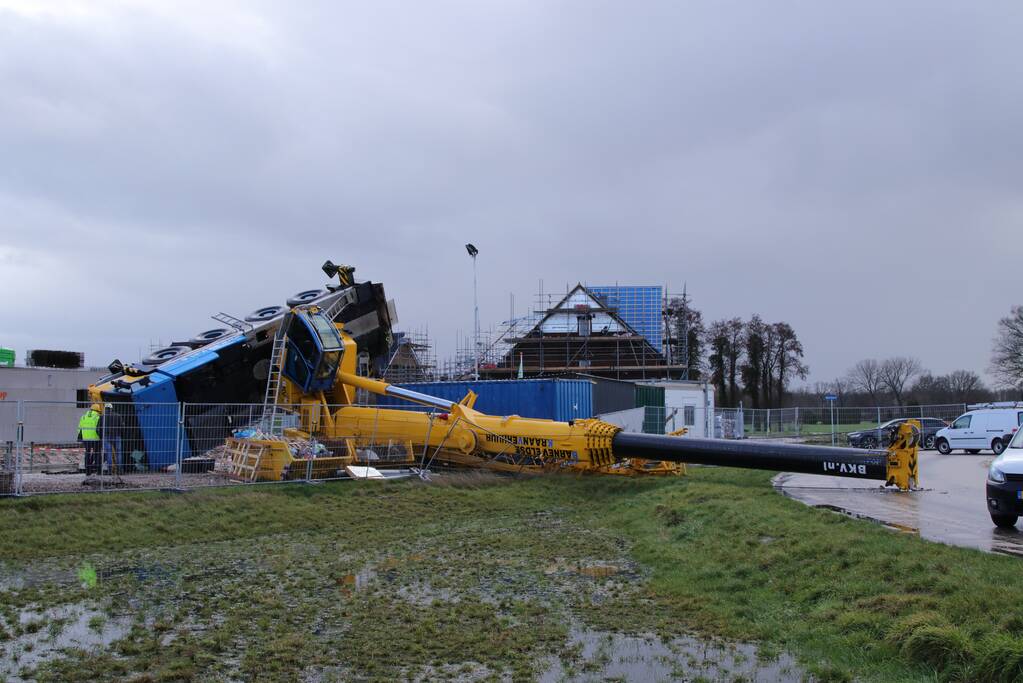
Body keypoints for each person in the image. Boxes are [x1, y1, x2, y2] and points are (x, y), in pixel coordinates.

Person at [100, 403, 124, 474]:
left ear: (105, 408)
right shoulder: (118, 416)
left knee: (109, 453)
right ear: (111, 408)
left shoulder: (102, 417)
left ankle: (110, 470)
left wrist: (101, 436)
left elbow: (99, 427)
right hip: (117, 436)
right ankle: (119, 470)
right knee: (118, 453)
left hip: (106, 436)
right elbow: (122, 427)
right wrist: (121, 435)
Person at [78, 404, 101, 475]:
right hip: (95, 438)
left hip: (86, 439)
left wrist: (82, 437)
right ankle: (98, 470)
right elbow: (99, 428)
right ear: (97, 410)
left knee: (87, 453)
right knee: (97, 453)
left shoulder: (83, 417)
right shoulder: (97, 417)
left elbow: (79, 429)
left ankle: (88, 470)